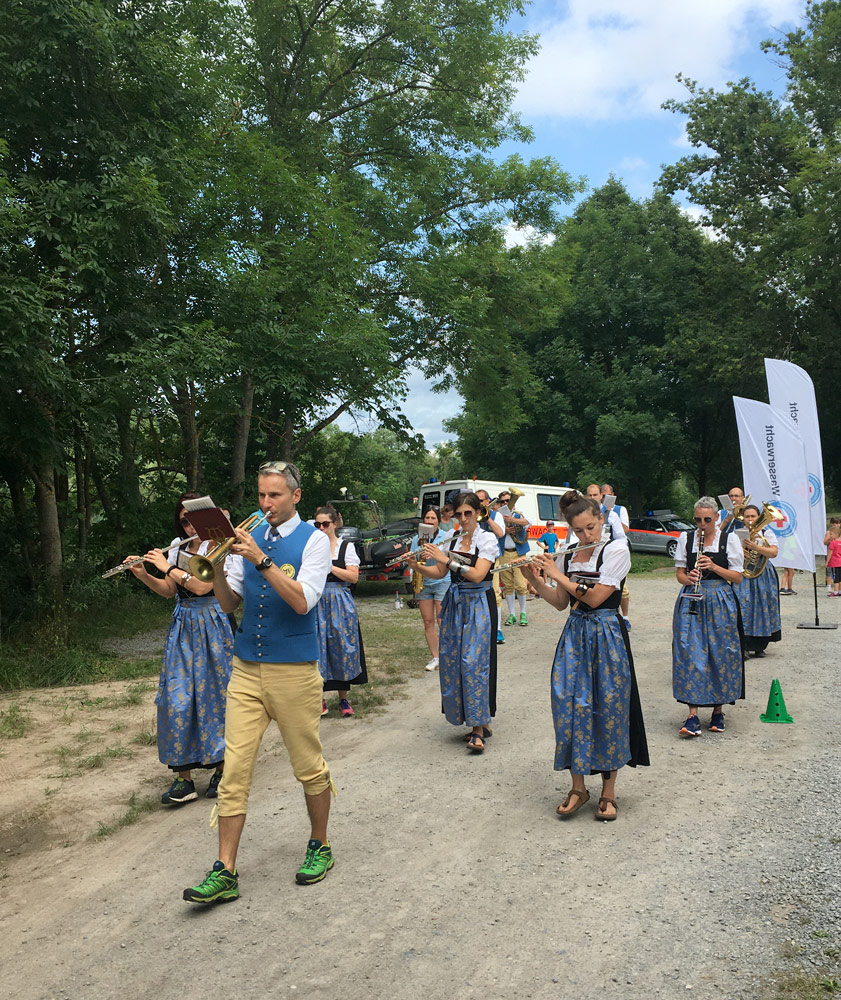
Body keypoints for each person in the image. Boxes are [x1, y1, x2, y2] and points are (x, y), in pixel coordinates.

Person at [183, 461, 334, 905]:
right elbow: (229, 602)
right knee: (234, 772)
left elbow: (303, 601)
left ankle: (319, 844)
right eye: (262, 495)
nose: (266, 504)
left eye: (275, 496)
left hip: (294, 670)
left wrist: (261, 561)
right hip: (246, 668)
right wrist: (220, 566)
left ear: (295, 496)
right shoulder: (248, 540)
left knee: (307, 764)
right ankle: (225, 871)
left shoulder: (315, 542)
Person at [522, 490, 648, 822]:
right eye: (579, 531)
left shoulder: (617, 550)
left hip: (607, 634)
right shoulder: (567, 555)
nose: (586, 536)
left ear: (601, 520)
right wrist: (534, 577)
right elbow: (562, 602)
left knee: (609, 707)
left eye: (591, 527)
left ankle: (608, 792)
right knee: (569, 706)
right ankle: (578, 787)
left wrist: (557, 571)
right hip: (575, 635)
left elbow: (595, 598)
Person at [126, 493, 234, 805]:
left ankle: (222, 768)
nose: (188, 526)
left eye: (193, 519)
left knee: (215, 696)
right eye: (183, 520)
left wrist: (166, 566)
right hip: (184, 627)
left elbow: (202, 586)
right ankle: (183, 777)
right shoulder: (178, 546)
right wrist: (144, 573)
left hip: (213, 624)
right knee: (177, 698)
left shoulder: (218, 543)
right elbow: (169, 590)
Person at [406, 492, 498, 753]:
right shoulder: (451, 537)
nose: (463, 518)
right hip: (455, 603)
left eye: (468, 513)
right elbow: (439, 572)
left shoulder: (487, 538)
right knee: (454, 661)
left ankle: (478, 727)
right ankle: (473, 719)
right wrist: (416, 565)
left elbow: (479, 575)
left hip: (479, 603)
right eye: (459, 514)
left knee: (473, 663)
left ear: (478, 513)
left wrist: (445, 557)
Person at [673, 496, 745, 738]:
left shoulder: (729, 539)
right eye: (697, 520)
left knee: (720, 652)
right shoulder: (687, 538)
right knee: (689, 651)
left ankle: (718, 711)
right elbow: (679, 574)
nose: (701, 524)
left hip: (720, 599)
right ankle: (692, 714)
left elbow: (737, 577)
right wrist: (689, 578)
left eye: (706, 519)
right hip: (692, 599)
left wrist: (713, 567)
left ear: (716, 518)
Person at [312, 504, 367, 714]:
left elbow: (353, 576)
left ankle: (343, 699)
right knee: (319, 648)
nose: (321, 528)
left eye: (325, 524)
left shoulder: (345, 547)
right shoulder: (311, 547)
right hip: (317, 599)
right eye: (317, 524)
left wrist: (330, 566)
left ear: (335, 524)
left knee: (341, 646)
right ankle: (320, 699)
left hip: (339, 600)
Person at [732, 504, 781, 656]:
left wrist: (755, 547)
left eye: (753, 516)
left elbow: (773, 552)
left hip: (762, 573)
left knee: (762, 606)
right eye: (747, 516)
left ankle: (760, 646)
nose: (750, 519)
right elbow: (730, 552)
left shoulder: (767, 532)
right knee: (743, 607)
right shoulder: (737, 534)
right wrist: (740, 552)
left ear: (759, 517)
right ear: (743, 518)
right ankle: (744, 646)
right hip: (744, 573)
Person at [409, 506, 450, 670]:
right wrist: (416, 557)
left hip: (442, 581)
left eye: (433, 518)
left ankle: (447, 655)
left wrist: (433, 554)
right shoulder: (416, 539)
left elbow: (447, 559)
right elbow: (412, 559)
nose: (430, 521)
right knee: (428, 621)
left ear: (438, 521)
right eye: (427, 518)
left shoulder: (445, 537)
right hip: (424, 582)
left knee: (442, 621)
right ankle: (435, 657)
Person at [496, 488, 532, 627]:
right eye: (503, 501)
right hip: (504, 553)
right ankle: (512, 614)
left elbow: (529, 522)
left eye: (508, 500)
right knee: (508, 586)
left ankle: (523, 612)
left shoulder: (518, 514)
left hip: (518, 553)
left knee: (521, 584)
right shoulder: (497, 516)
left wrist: (513, 521)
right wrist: (505, 530)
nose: (506, 503)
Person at [476, 488, 506, 644]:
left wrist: (487, 518)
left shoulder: (497, 515)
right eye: (477, 500)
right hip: (476, 558)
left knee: (494, 593)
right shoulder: (472, 515)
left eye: (482, 500)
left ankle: (497, 629)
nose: (479, 503)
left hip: (493, 559)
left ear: (487, 501)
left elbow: (500, 533)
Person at [601, 483, 632, 627]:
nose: (606, 498)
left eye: (609, 495)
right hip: (603, 551)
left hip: (617, 552)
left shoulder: (620, 510)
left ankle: (625, 617)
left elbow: (625, 530)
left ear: (613, 495)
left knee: (622, 588)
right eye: (604, 495)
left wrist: (612, 516)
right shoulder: (597, 511)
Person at [825, 518, 841, 592]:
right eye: (834, 523)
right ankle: (829, 586)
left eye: (837, 523)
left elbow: (830, 553)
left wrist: (827, 562)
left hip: (836, 558)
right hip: (834, 557)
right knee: (831, 572)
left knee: (837, 576)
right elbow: (825, 542)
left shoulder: (835, 540)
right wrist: (829, 538)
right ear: (831, 523)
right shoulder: (829, 532)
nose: (836, 525)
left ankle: (836, 591)